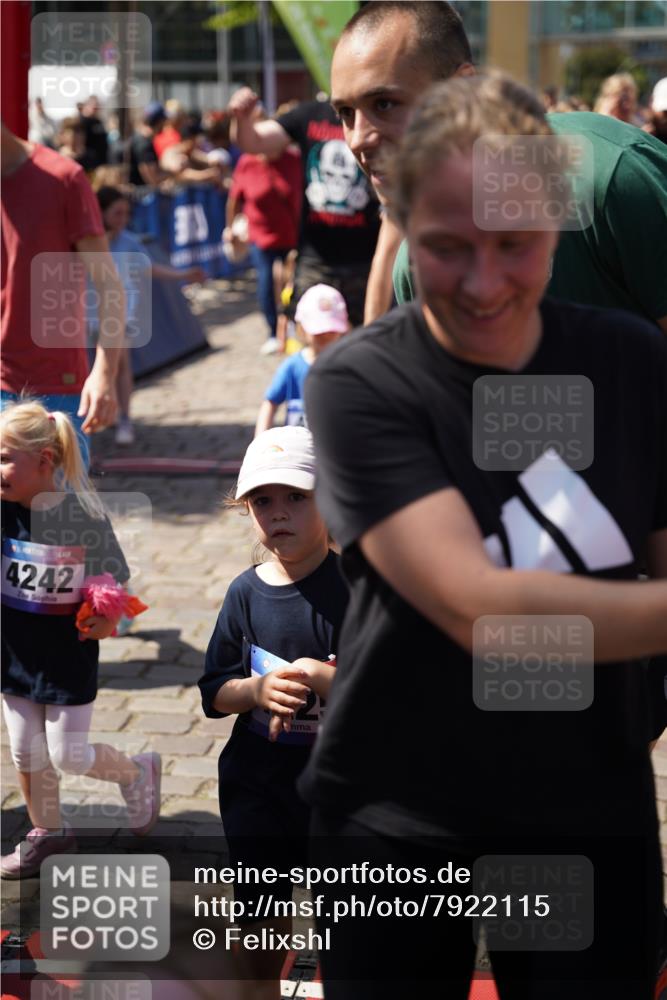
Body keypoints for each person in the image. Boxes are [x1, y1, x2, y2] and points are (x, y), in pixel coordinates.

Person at [300, 74, 667, 999]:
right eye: (447, 247)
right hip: (396, 813)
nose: (483, 280)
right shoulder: (356, 384)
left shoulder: (629, 359)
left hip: (588, 807)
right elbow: (477, 608)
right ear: (405, 233)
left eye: (515, 244)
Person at [331, 0, 667, 330]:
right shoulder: (415, 266)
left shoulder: (606, 176)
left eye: (385, 104)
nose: (358, 138)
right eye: (345, 113)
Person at [198, 426, 347, 1000]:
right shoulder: (245, 592)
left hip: (339, 794)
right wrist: (256, 691)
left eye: (296, 497)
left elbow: (388, 695)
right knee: (260, 923)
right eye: (262, 500)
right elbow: (214, 692)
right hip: (258, 784)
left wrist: (319, 675)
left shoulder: (358, 588)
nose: (278, 513)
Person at [0, 401, 161, 878]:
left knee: (67, 754)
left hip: (67, 656)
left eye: (5, 458)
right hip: (12, 656)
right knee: (25, 750)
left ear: (44, 461)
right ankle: (48, 833)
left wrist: (109, 619)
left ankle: (134, 773)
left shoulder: (81, 517)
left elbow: (115, 579)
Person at [1, 122, 124, 455]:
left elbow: (110, 286)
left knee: (57, 506)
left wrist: (104, 372)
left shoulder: (63, 178)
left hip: (55, 387)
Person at [227, 92, 380, 328]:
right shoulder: (309, 114)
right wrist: (242, 118)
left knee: (365, 339)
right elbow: (254, 142)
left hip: (368, 256)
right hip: (316, 259)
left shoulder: (379, 111)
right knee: (312, 337)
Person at [94, 186, 206, 445]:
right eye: (116, 213)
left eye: (126, 213)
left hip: (118, 314)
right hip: (89, 313)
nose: (122, 219)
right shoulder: (89, 240)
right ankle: (106, 413)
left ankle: (124, 419)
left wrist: (184, 275)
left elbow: (149, 269)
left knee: (120, 364)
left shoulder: (129, 241)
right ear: (101, 212)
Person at [225, 110, 302, 353]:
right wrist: (230, 228)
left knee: (294, 282)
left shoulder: (293, 159)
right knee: (267, 282)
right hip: (261, 234)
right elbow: (234, 199)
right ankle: (272, 331)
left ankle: (294, 327)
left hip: (293, 233)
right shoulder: (247, 163)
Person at [255, 284, 349, 435]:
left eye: (331, 331)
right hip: (298, 449)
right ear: (302, 328)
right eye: (319, 331)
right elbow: (270, 403)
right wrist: (259, 442)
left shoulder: (347, 366)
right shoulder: (292, 366)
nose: (325, 336)